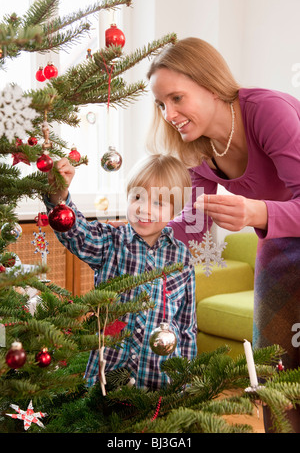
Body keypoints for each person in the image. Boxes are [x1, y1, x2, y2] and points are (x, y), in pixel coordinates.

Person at [146, 37, 300, 431]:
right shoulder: (199, 148)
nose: (169, 113)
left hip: (278, 223)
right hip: (280, 239)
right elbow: (193, 226)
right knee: (272, 372)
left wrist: (256, 211)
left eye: (177, 98)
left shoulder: (268, 112)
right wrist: (141, 238)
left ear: (211, 85)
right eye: (162, 104)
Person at [44, 154, 197, 390]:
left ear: (174, 211)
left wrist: (186, 383)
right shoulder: (110, 242)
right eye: (137, 197)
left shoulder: (182, 258)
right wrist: (58, 197)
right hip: (106, 379)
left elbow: (186, 326)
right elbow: (76, 232)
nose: (144, 208)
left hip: (159, 383)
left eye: (158, 202)